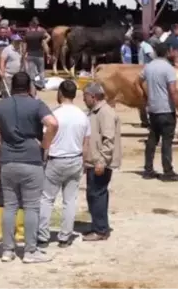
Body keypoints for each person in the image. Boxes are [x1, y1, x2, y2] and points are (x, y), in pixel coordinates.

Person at [0, 72, 59, 264]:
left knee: (9, 206)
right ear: (29, 87)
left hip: (7, 161)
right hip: (31, 160)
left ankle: (7, 250)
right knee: (31, 207)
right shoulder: (37, 104)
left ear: (12, 87)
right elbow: (52, 123)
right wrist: (45, 144)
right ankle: (30, 251)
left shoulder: (1, 105)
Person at [37, 80, 90, 248]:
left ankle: (43, 236)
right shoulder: (83, 116)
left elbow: (46, 140)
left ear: (60, 93)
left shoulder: (54, 115)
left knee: (47, 199)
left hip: (56, 159)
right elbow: (86, 143)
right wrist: (84, 162)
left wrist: (43, 152)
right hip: (75, 159)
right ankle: (65, 236)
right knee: (70, 200)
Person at [139, 42, 178, 181]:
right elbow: (173, 91)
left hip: (153, 108)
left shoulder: (149, 67)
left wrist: (145, 96)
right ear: (168, 52)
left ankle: (148, 169)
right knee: (166, 141)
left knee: (152, 139)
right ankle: (168, 171)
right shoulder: (168, 68)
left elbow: (137, 81)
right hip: (166, 109)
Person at [82, 82, 121, 241]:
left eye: (85, 96)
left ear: (93, 96)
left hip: (100, 162)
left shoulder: (105, 113)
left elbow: (109, 140)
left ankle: (100, 230)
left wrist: (101, 161)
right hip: (94, 161)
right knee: (94, 194)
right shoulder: (95, 112)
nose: (83, 100)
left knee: (97, 194)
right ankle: (98, 226)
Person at [24, 17, 51, 89]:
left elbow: (25, 44)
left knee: (31, 71)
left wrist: (24, 54)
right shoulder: (41, 31)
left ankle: (32, 85)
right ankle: (43, 85)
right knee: (41, 71)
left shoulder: (27, 31)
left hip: (30, 54)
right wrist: (46, 42)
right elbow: (48, 37)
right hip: (39, 54)